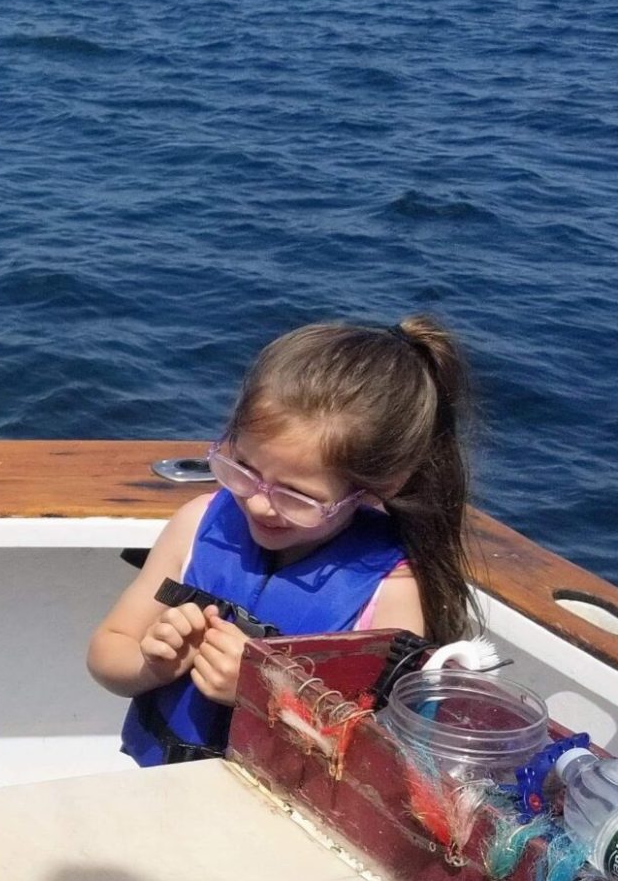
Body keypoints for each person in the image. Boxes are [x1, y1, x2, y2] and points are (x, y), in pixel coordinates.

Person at [88, 316, 476, 766]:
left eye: (298, 497)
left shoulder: (389, 592)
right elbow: (106, 652)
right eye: (243, 470)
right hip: (161, 788)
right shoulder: (197, 523)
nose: (259, 505)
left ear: (376, 488)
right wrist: (150, 665)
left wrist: (262, 695)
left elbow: (382, 761)